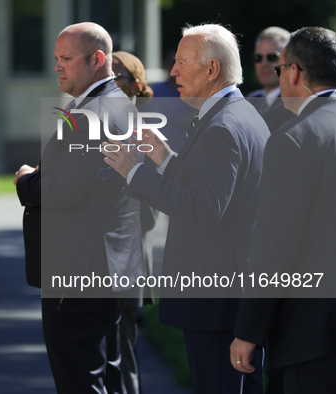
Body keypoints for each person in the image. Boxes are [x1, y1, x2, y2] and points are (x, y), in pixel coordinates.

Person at [101, 23, 269, 393]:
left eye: (181, 61)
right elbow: (218, 192)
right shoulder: (238, 114)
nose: (173, 70)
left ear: (212, 69)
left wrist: (135, 173)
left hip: (216, 302)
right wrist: (167, 159)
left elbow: (203, 209)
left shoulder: (223, 126)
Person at [16, 22, 145, 393]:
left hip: (78, 271)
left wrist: (26, 180)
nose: (57, 66)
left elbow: (63, 192)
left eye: (66, 59)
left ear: (98, 59)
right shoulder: (115, 103)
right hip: (103, 268)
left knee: (80, 380)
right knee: (105, 375)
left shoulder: (97, 111)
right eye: (56, 58)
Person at [231, 26, 336, 393]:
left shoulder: (294, 138)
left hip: (309, 336)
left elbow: (274, 247)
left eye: (279, 68)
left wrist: (248, 332)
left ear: (294, 72)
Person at [111, 50, 157, 394]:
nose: (109, 85)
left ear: (136, 86)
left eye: (117, 78)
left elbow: (151, 213)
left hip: (123, 262)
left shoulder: (145, 133)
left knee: (122, 356)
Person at [247, 27, 295, 132]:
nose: (264, 64)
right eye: (258, 57)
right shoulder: (249, 102)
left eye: (272, 57)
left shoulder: (298, 104)